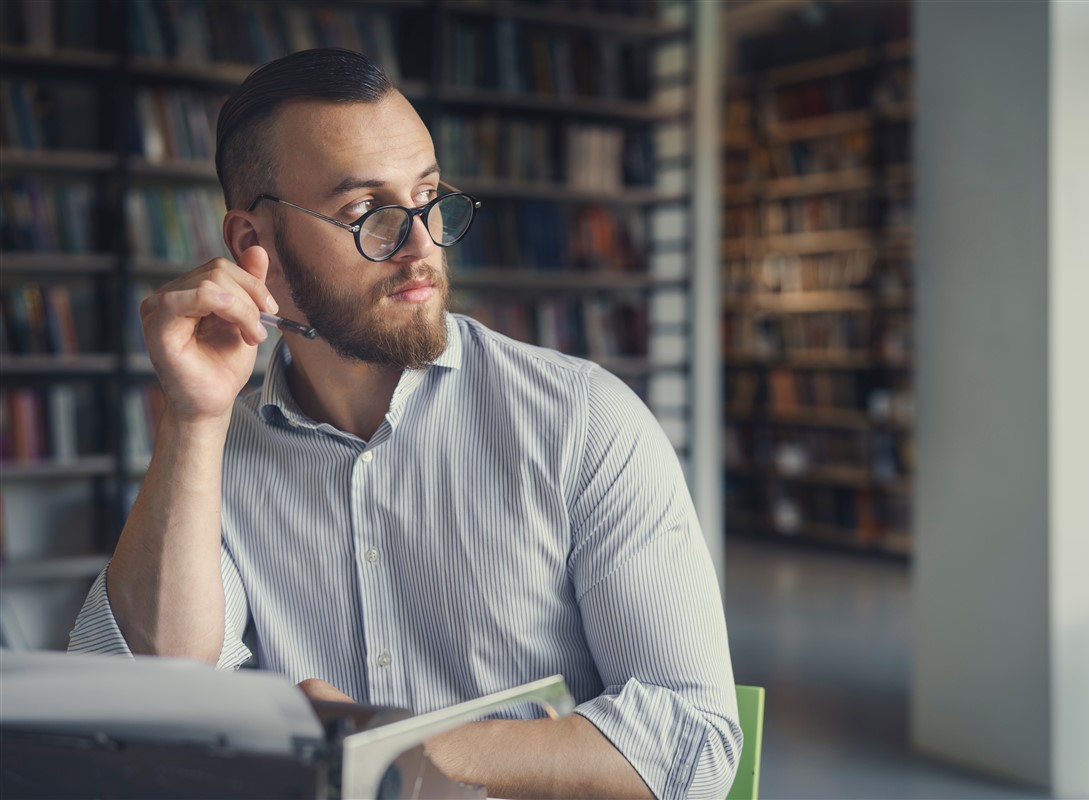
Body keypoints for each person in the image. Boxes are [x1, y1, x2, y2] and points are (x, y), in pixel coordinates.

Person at [69, 48, 740, 799]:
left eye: (427, 197)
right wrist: (193, 418)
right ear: (252, 246)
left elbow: (695, 741)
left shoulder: (584, 422)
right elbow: (160, 696)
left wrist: (382, 745)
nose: (421, 246)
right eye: (368, 214)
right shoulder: (212, 457)